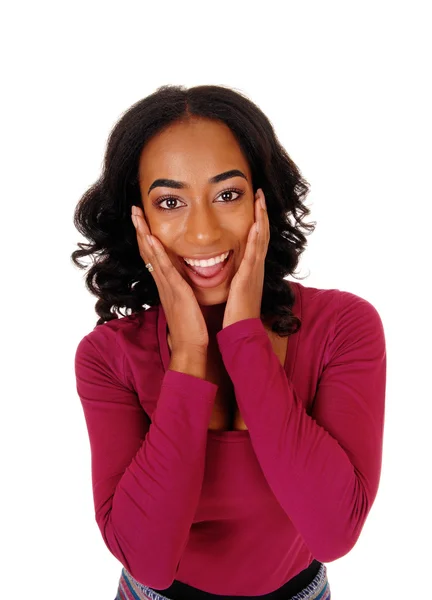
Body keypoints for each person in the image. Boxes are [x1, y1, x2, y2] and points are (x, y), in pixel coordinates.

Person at [72, 84, 386, 600]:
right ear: (139, 219)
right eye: (170, 201)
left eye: (227, 194)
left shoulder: (342, 327)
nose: (202, 232)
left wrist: (243, 337)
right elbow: (148, 559)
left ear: (264, 199)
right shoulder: (108, 357)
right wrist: (191, 354)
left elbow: (333, 533)